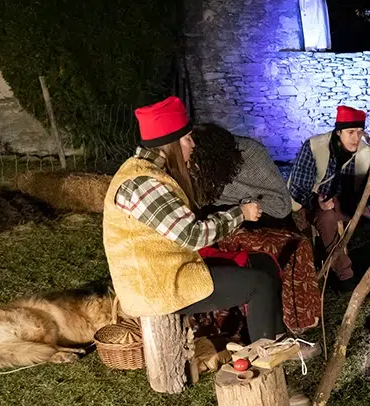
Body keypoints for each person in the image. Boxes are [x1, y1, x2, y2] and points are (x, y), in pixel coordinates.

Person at [102, 96, 284, 343]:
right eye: (187, 139)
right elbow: (192, 235)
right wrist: (241, 212)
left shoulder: (147, 174)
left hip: (169, 274)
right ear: (171, 143)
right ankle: (265, 357)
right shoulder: (144, 184)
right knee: (258, 284)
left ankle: (276, 342)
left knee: (260, 266)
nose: (192, 146)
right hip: (159, 288)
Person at [190, 124, 323, 333]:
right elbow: (200, 208)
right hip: (224, 225)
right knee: (258, 252)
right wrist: (236, 210)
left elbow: (280, 204)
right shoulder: (193, 165)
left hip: (268, 221)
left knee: (297, 246)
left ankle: (295, 320)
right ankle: (256, 326)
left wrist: (248, 204)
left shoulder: (250, 154)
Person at [286, 105, 370, 289]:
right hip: (313, 204)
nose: (356, 138)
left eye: (359, 132)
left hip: (349, 204)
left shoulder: (366, 154)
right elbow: (298, 186)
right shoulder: (314, 147)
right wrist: (315, 200)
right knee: (327, 217)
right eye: (350, 132)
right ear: (338, 132)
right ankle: (345, 275)